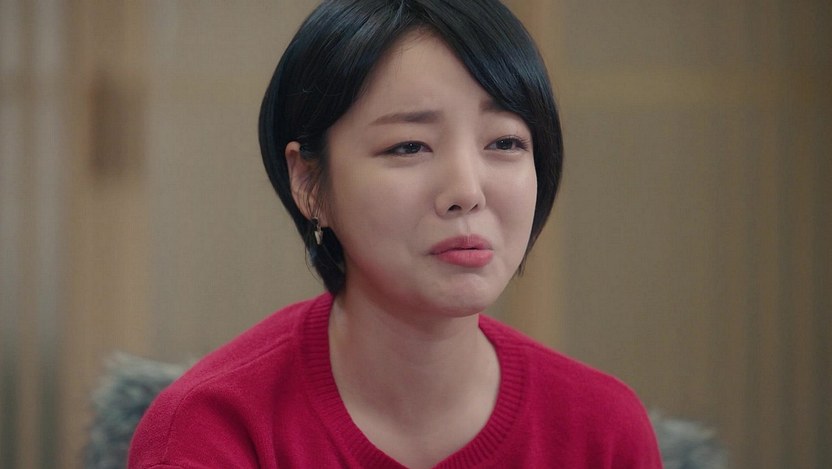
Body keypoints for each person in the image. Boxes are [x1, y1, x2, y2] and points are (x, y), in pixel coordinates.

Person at [129, 0, 662, 467]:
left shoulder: (603, 430)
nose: (466, 191)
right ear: (309, 182)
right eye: (408, 146)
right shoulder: (210, 429)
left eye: (504, 142)